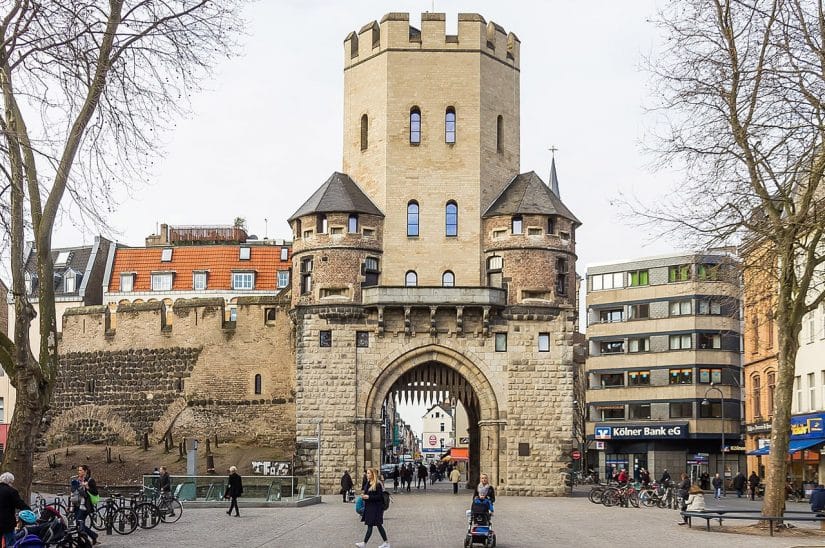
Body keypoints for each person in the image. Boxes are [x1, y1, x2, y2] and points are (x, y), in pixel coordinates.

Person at [355, 468, 390, 548]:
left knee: (371, 525)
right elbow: (366, 492)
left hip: (376, 508)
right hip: (370, 507)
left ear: (372, 474)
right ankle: (386, 542)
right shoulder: (368, 483)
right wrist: (363, 496)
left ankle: (364, 543)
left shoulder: (377, 484)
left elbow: (379, 497)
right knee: (378, 525)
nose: (367, 474)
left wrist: (369, 497)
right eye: (367, 473)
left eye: (368, 473)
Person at [0, 472, 30, 548]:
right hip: (6, 523)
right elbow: (19, 504)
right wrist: (28, 510)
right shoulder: (11, 491)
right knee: (11, 543)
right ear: (10, 482)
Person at [72, 465, 99, 545]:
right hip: (78, 505)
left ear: (85, 471)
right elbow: (74, 492)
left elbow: (95, 492)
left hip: (85, 506)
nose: (79, 472)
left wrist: (86, 487)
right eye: (78, 470)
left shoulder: (90, 480)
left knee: (79, 522)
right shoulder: (77, 480)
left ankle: (85, 541)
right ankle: (93, 536)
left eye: (80, 470)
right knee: (79, 523)